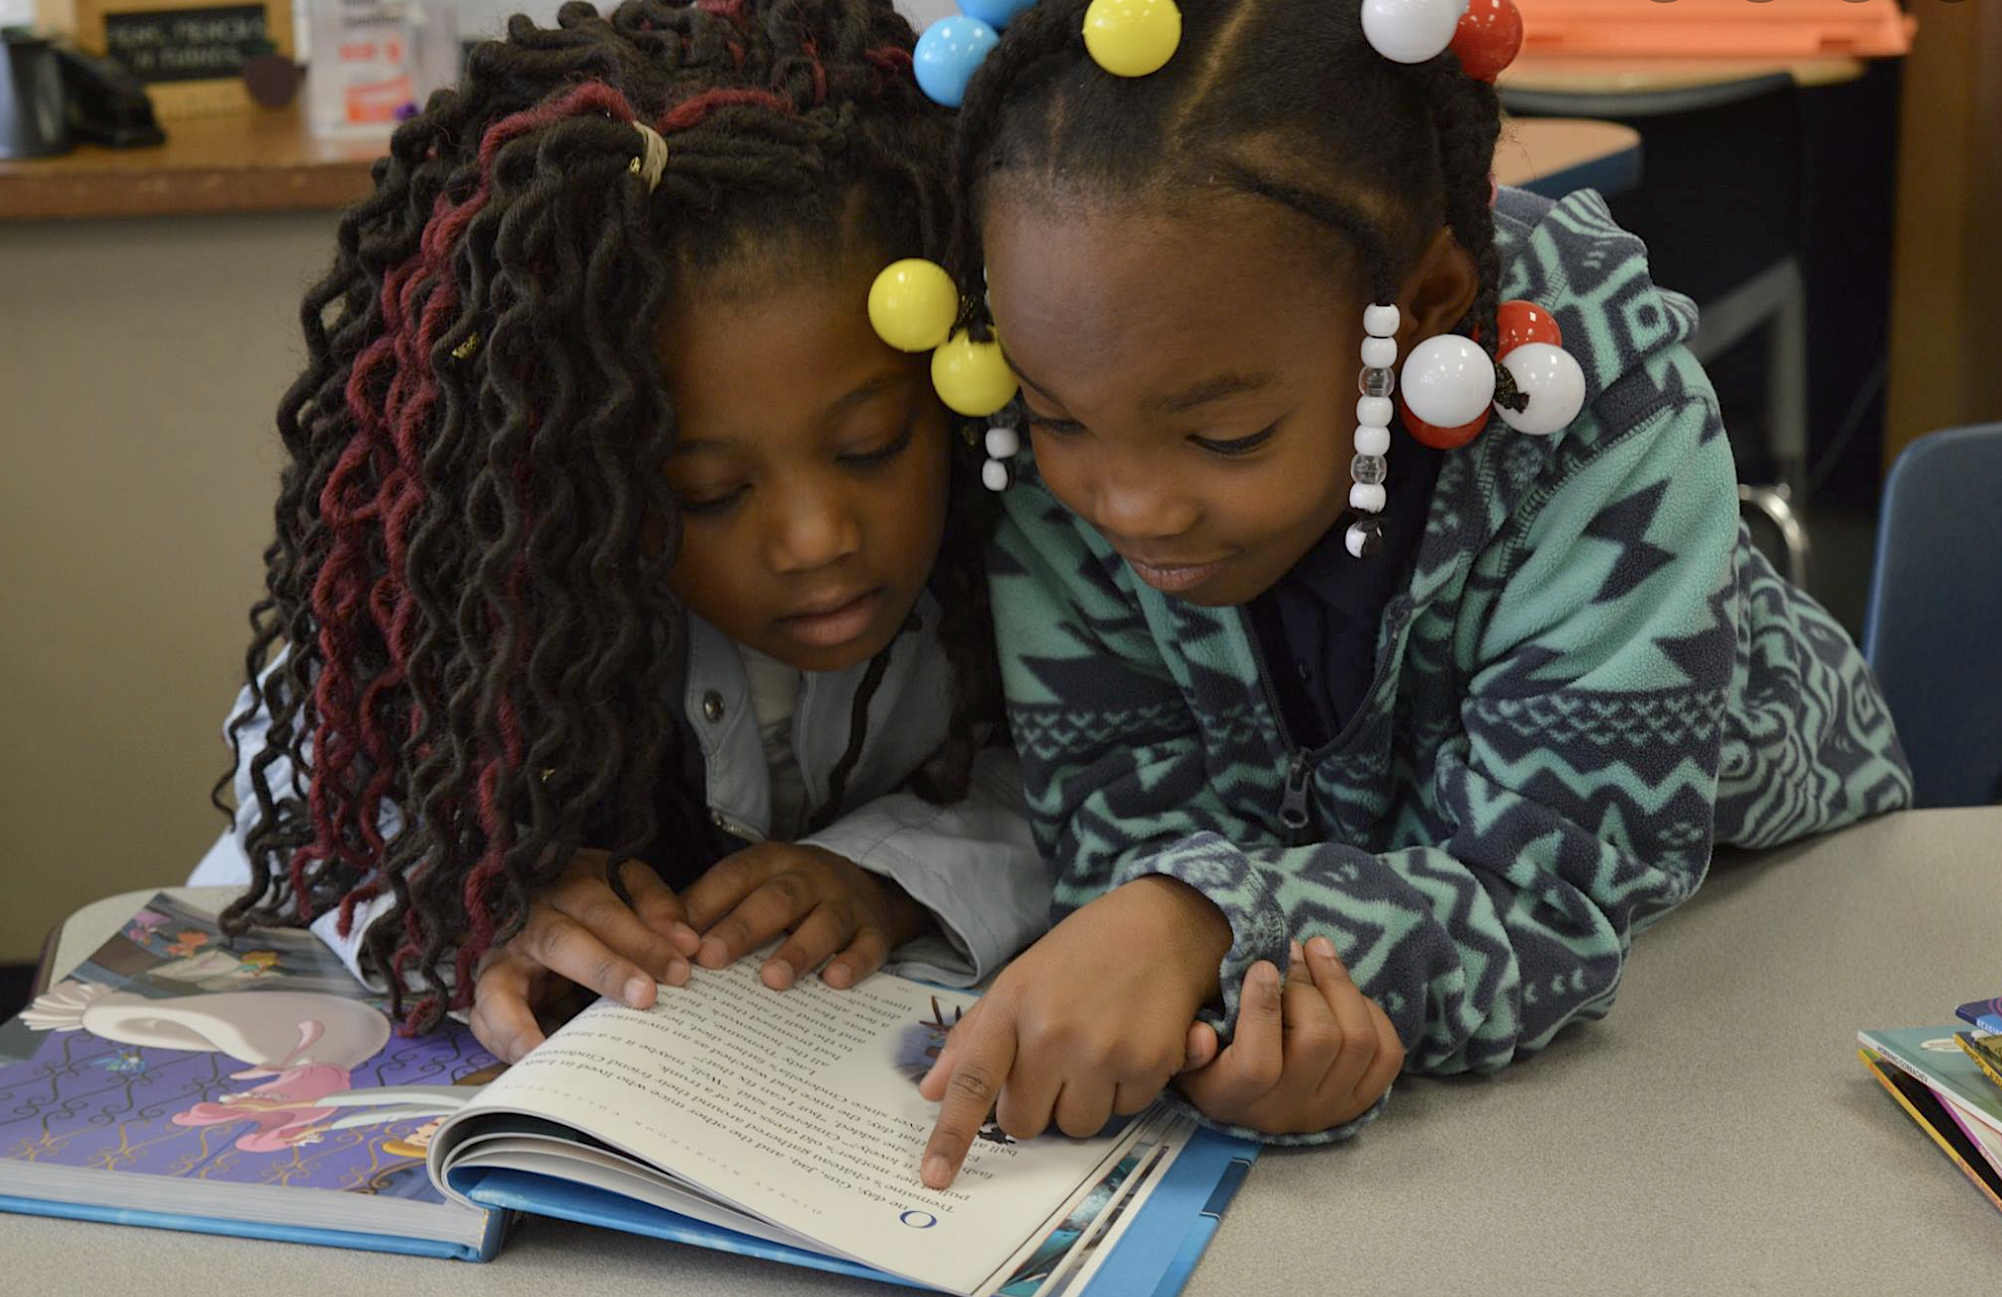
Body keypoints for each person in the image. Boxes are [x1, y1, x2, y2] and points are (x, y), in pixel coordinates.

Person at [911, 0, 1912, 1186]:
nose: (1128, 504)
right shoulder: (1064, 421)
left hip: (1759, 943)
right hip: (1422, 965)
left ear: (1425, 303)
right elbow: (1119, 832)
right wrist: (1241, 1020)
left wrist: (1206, 926)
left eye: (1223, 433)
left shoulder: (1605, 424)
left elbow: (1553, 899)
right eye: (1059, 418)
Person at [189, 0, 1046, 1063]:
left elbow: (1088, 776)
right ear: (574, 469)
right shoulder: (496, 588)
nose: (817, 537)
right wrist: (476, 895)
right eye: (704, 492)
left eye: (871, 446)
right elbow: (316, 770)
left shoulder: (1026, 535)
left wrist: (895, 871)